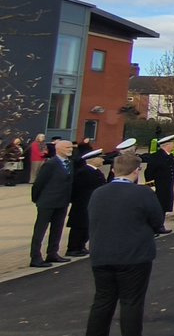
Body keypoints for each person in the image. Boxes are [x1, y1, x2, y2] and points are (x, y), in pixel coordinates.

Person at [84, 152, 163, 336]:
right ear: (137, 171)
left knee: (103, 301)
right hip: (134, 255)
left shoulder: (99, 193)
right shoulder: (143, 193)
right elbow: (157, 220)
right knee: (131, 302)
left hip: (102, 254)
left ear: (113, 170)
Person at [30, 139, 75, 267]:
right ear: (58, 149)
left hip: (62, 202)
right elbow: (39, 183)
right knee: (40, 230)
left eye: (71, 147)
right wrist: (36, 199)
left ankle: (52, 253)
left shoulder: (69, 163)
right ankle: (35, 257)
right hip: (47, 202)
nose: (70, 149)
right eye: (67, 147)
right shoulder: (50, 164)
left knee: (57, 229)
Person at [67, 149, 108, 256]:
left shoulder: (94, 171)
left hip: (90, 204)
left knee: (86, 227)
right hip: (82, 204)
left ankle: (81, 246)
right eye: (100, 158)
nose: (102, 160)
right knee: (79, 227)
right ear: (93, 160)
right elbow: (76, 189)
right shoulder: (84, 172)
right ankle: (74, 248)